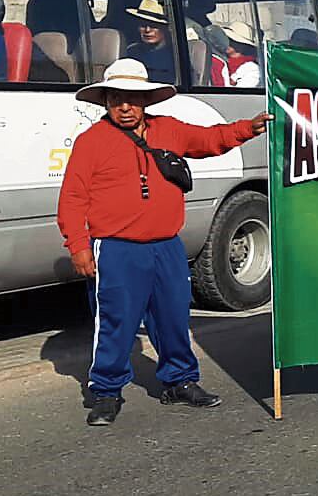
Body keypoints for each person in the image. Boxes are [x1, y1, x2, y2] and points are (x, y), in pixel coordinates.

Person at [57, 58, 271, 426]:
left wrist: (247, 129)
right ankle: (106, 392)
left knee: (173, 317)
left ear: (146, 100)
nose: (125, 106)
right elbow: (72, 199)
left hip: (167, 246)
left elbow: (210, 140)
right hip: (117, 249)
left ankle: (180, 382)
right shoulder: (91, 142)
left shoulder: (168, 129)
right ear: (106, 101)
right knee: (115, 322)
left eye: (132, 99)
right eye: (116, 99)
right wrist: (78, 246)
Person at [123, 0, 178, 85]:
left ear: (165, 28)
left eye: (154, 26)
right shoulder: (131, 52)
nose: (147, 30)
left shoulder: (176, 56)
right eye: (143, 25)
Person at [220, 20, 261, 88]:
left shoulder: (252, 69)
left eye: (232, 41)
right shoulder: (219, 60)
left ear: (243, 45)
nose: (227, 42)